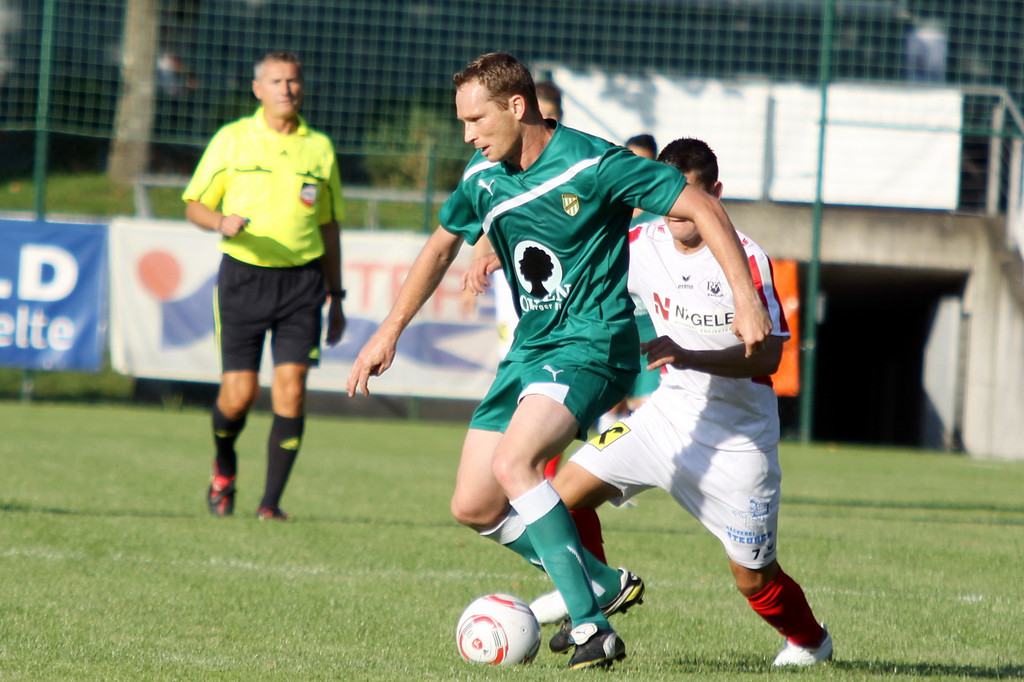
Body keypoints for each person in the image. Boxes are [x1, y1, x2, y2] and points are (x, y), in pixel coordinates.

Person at [347, 52, 771, 669]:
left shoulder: (594, 163)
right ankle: (600, 581)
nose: (466, 135)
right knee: (473, 505)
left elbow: (701, 206)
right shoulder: (482, 176)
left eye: (475, 120)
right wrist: (388, 331)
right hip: (531, 349)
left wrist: (745, 300)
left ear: (516, 107)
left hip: (592, 344)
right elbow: (440, 247)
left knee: (515, 463)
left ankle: (592, 627)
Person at [531, 137, 833, 666]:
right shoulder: (641, 242)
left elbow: (768, 359)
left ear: (715, 193)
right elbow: (577, 254)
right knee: (560, 499)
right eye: (667, 197)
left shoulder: (745, 258)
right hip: (665, 419)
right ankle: (596, 591)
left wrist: (689, 355)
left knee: (754, 579)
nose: (675, 211)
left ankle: (811, 641)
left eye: (689, 196)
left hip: (739, 443)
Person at [183, 50, 346, 521]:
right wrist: (220, 221)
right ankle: (224, 464)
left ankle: (270, 504)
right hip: (244, 278)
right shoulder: (232, 139)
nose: (286, 89)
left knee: (291, 389)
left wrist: (336, 296)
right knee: (239, 396)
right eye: (276, 81)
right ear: (258, 89)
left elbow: (330, 225)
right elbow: (194, 204)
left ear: (302, 87)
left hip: (303, 283)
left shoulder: (319, 148)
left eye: (293, 81)